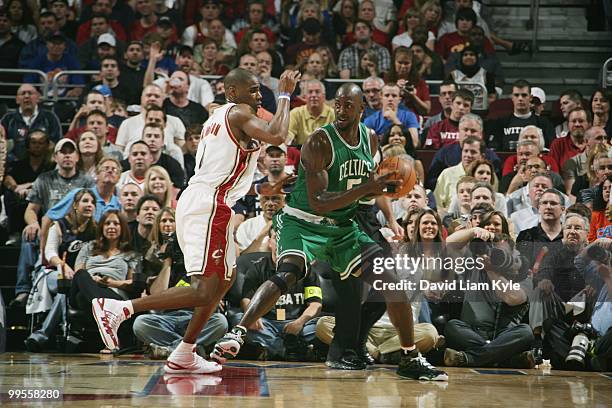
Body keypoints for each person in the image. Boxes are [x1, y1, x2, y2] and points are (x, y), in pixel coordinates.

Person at [212, 83, 447, 381]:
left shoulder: (370, 139)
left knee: (391, 282)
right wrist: (369, 187)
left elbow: (370, 188)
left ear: (363, 110)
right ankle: (237, 333)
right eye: (338, 103)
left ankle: (409, 356)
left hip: (342, 226)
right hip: (301, 221)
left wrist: (389, 218)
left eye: (349, 105)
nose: (341, 109)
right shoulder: (319, 141)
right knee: (289, 274)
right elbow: (319, 203)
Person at [91, 68, 301, 373]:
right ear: (232, 93)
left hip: (214, 202)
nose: (258, 97)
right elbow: (279, 135)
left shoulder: (221, 116)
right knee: (204, 289)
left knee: (223, 282)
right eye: (253, 91)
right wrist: (284, 94)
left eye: (260, 91)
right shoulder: (238, 114)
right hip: (209, 202)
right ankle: (120, 308)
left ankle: (184, 352)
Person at [133, 208, 229, 359]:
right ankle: (190, 349)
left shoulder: (201, 258)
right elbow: (157, 294)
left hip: (195, 316)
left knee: (220, 322)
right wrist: (167, 261)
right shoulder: (154, 258)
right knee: (140, 323)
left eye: (171, 220)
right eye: (164, 220)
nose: (167, 224)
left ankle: (170, 349)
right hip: (167, 317)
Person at [24, 189, 97, 351]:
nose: (89, 205)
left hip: (78, 278)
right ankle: (68, 332)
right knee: (65, 284)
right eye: (85, 201)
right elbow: (49, 252)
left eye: (92, 202)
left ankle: (41, 335)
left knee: (64, 292)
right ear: (75, 206)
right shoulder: (59, 225)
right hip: (52, 272)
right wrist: (62, 265)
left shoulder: (95, 230)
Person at [486, 80, 555, 151]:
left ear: (530, 97)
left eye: (524, 95)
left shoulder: (544, 123)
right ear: (512, 97)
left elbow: (551, 149)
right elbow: (494, 149)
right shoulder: (500, 123)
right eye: (516, 95)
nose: (520, 98)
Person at [1, 84, 62, 162]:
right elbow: (2, 144)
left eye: (30, 93)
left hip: (44, 167)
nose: (27, 96)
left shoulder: (50, 117)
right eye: (23, 93)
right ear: (17, 99)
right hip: (14, 166)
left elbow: (56, 142)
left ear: (37, 98)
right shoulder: (8, 119)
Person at [287, 79, 335, 146]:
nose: (313, 95)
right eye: (310, 92)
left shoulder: (333, 114)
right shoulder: (295, 113)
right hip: (302, 152)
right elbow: (289, 135)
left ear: (324, 96)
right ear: (305, 97)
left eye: (317, 92)